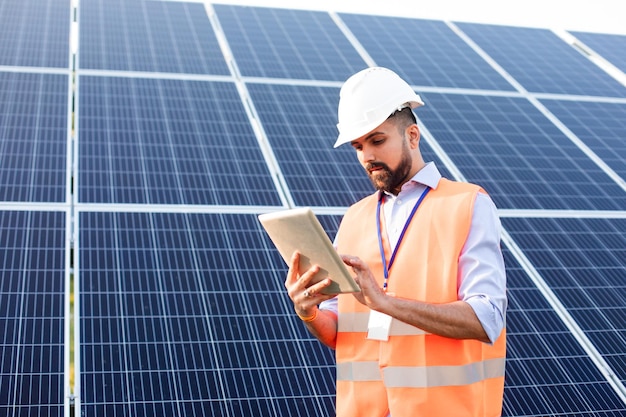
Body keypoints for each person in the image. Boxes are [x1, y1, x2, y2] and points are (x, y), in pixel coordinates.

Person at [284, 67, 507, 417]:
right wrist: (308, 311)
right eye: (358, 146)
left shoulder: (468, 204)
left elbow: (486, 319)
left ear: (413, 136)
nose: (366, 156)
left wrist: (384, 302)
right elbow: (340, 332)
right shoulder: (354, 217)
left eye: (377, 140)